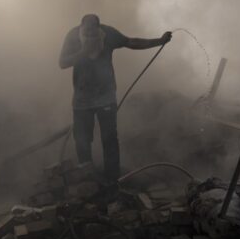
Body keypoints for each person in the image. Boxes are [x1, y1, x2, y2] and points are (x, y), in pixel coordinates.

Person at [59, 14, 172, 181]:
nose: (90, 36)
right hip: (82, 100)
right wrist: (83, 52)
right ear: (81, 28)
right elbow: (62, 63)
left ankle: (112, 180)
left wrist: (159, 41)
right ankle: (86, 179)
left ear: (99, 28)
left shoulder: (108, 34)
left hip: (106, 97)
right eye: (87, 33)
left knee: (109, 139)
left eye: (93, 33)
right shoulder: (73, 36)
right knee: (82, 140)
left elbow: (131, 42)